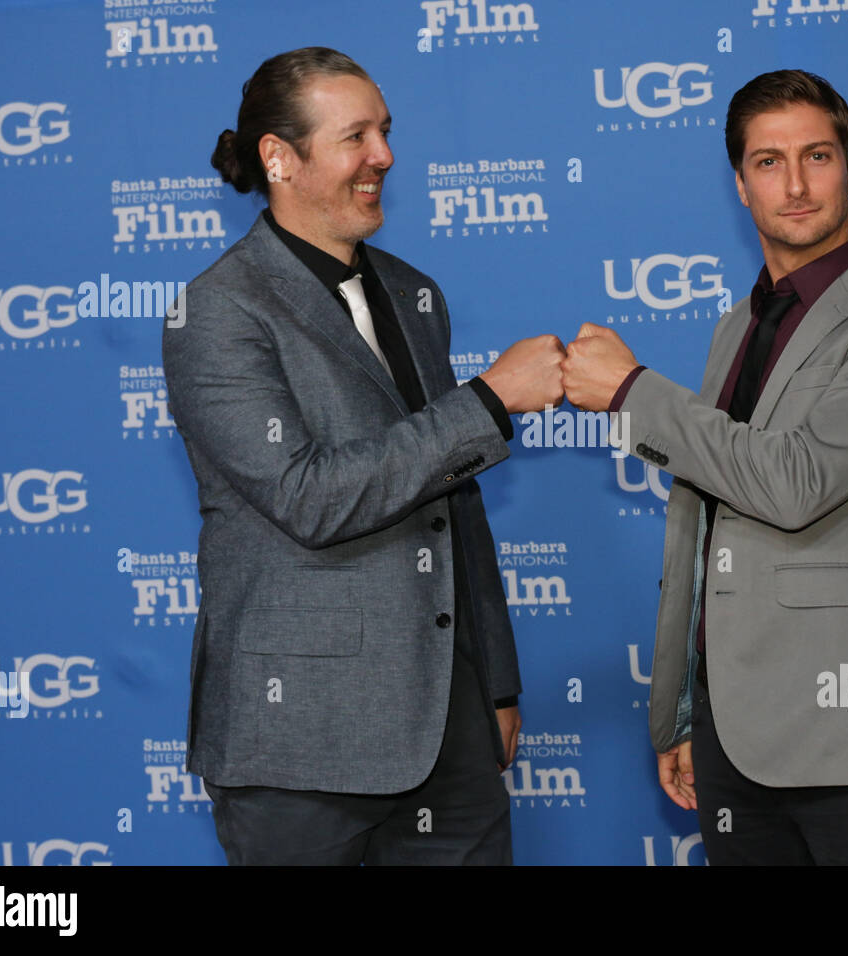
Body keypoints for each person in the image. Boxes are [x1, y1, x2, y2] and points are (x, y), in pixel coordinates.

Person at [162, 47, 565, 865]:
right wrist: (489, 401)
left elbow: (455, 495)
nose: (383, 155)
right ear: (280, 157)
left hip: (448, 731)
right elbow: (308, 496)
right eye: (356, 137)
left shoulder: (414, 292)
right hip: (300, 749)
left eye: (384, 132)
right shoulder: (217, 312)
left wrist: (495, 681)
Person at [560, 69, 848, 864]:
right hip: (733, 738)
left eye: (817, 156)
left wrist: (632, 393)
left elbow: (795, 483)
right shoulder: (736, 325)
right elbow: (703, 524)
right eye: (769, 162)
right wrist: (684, 712)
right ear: (740, 184)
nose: (798, 183)